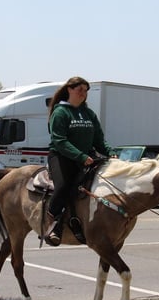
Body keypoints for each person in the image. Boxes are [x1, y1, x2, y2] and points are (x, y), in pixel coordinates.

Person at [45, 77, 113, 246]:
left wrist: (111, 153)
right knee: (63, 187)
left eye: (86, 90)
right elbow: (59, 141)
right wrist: (81, 156)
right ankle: (52, 225)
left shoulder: (89, 114)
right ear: (69, 89)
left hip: (86, 158)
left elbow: (99, 140)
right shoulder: (61, 112)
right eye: (80, 89)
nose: (83, 93)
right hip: (62, 157)